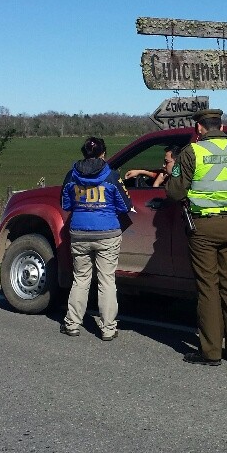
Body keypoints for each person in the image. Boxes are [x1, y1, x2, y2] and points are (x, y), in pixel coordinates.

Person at [165, 109, 227, 365]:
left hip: (203, 227)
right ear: (221, 125)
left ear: (199, 128)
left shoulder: (192, 152)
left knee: (208, 288)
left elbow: (174, 192)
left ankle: (211, 352)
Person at [60, 136, 133, 341]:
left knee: (81, 279)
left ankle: (72, 323)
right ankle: (108, 329)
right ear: (103, 154)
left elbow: (65, 204)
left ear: (84, 153)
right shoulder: (111, 175)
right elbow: (125, 205)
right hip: (107, 233)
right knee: (106, 280)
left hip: (79, 233)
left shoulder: (71, 175)